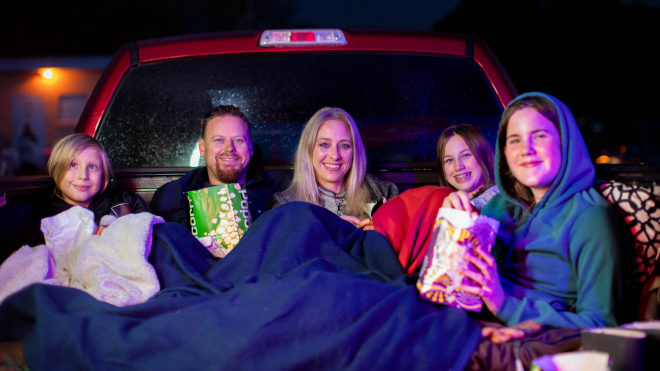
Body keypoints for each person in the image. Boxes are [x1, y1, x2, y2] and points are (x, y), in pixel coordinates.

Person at [443, 92, 625, 329]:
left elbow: (601, 324)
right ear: (505, 152)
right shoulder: (498, 206)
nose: (525, 149)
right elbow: (459, 281)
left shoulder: (589, 217)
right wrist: (451, 230)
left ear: (564, 142)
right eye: (515, 140)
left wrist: (502, 304)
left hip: (526, 333)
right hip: (469, 314)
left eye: (539, 136)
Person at [150, 105, 280, 229]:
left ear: (250, 148)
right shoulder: (171, 196)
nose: (229, 148)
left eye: (238, 140)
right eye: (219, 140)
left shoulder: (279, 194)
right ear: (202, 148)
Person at [273, 107, 399, 229]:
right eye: (324, 144)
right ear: (308, 150)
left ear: (354, 151)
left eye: (344, 146)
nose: (335, 155)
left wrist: (383, 233)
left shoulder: (385, 193)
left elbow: (406, 243)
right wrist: (330, 234)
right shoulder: (286, 207)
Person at [18, 134, 149, 247]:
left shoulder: (124, 201)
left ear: (103, 174)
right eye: (73, 165)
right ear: (56, 169)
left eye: (92, 167)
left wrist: (119, 232)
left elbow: (151, 232)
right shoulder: (44, 219)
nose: (83, 175)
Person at [437, 124, 498, 210]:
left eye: (465, 155)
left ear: (483, 156)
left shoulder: (501, 203)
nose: (457, 167)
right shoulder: (441, 206)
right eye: (449, 160)